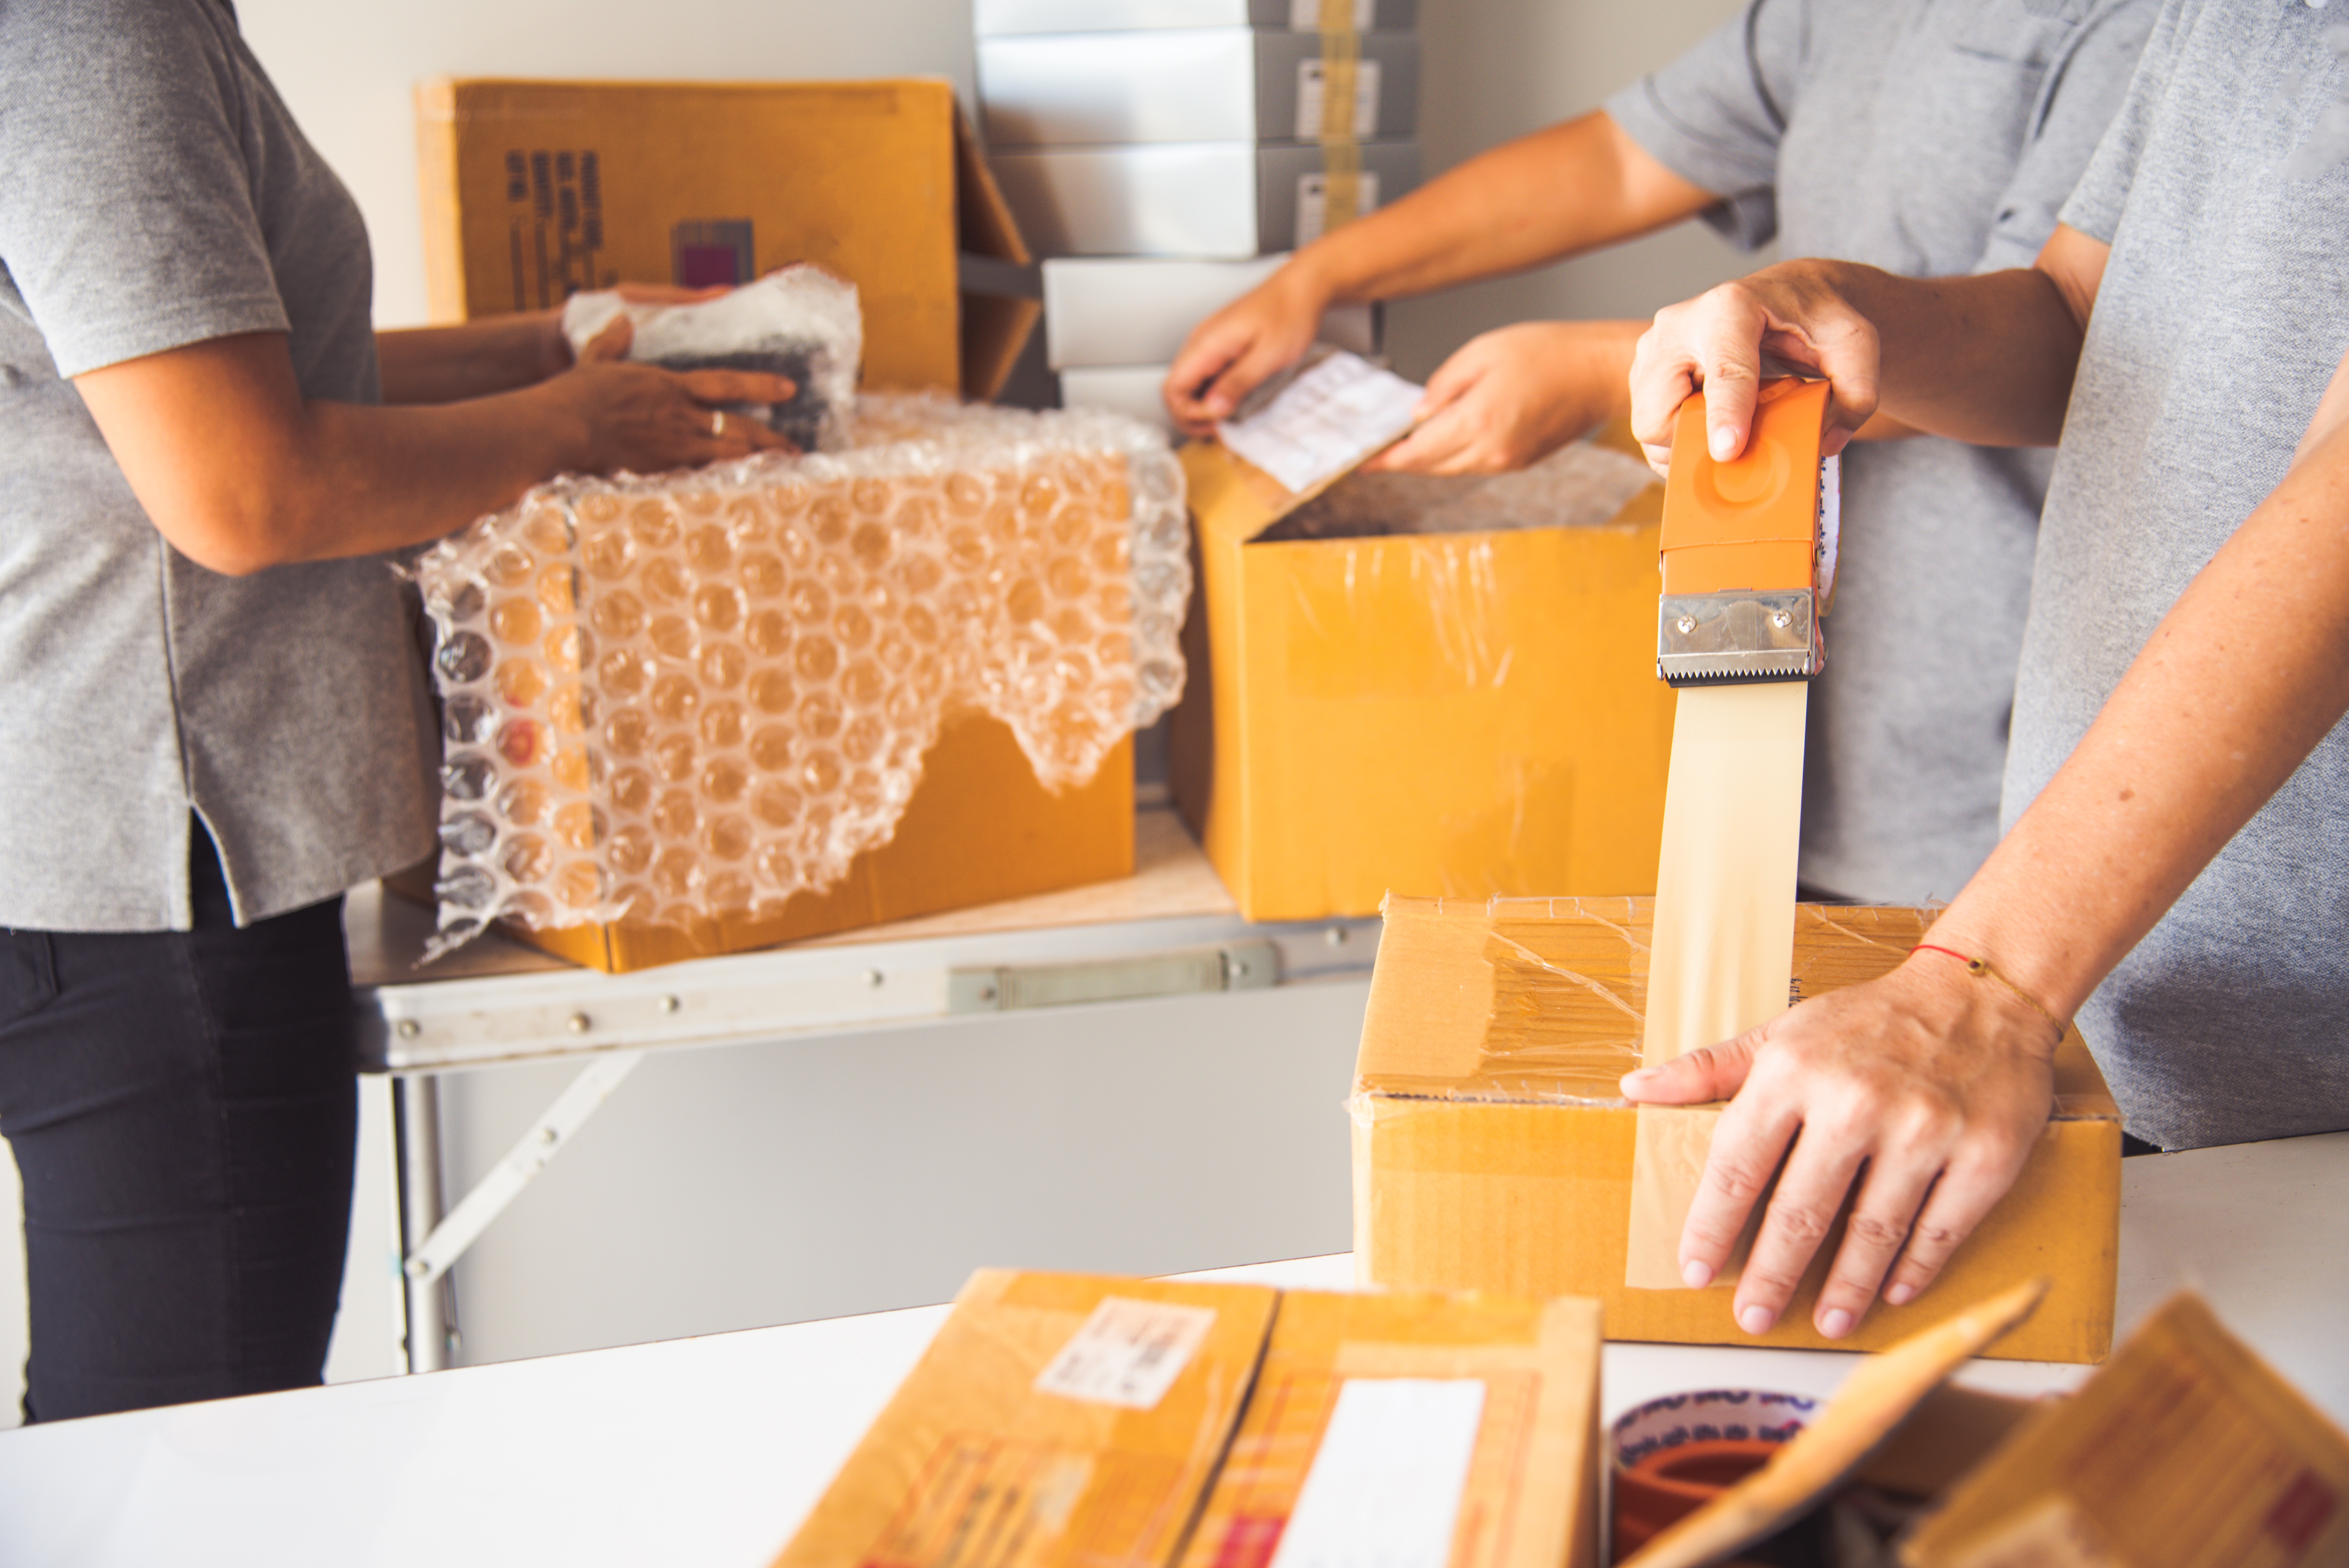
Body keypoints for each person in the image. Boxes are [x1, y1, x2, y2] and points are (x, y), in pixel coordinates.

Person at [0, 0, 794, 1421]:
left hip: (78, 833)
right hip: (145, 882)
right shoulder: (82, 32)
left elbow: (230, 374)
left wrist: (552, 351)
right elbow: (249, 488)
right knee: (185, 1474)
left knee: (126, 1452)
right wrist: (575, 426)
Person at [1619, 0, 2349, 1343]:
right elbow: (2084, 317)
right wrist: (1838, 316)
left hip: (2308, 1084)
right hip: (2120, 1016)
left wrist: (1987, 978)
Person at [1166, 0, 2157, 908]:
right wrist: (1318, 278)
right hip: (1777, 736)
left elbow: (2050, 346)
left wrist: (1617, 371)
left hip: (1977, 777)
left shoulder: (2144, 31)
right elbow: (1619, 161)